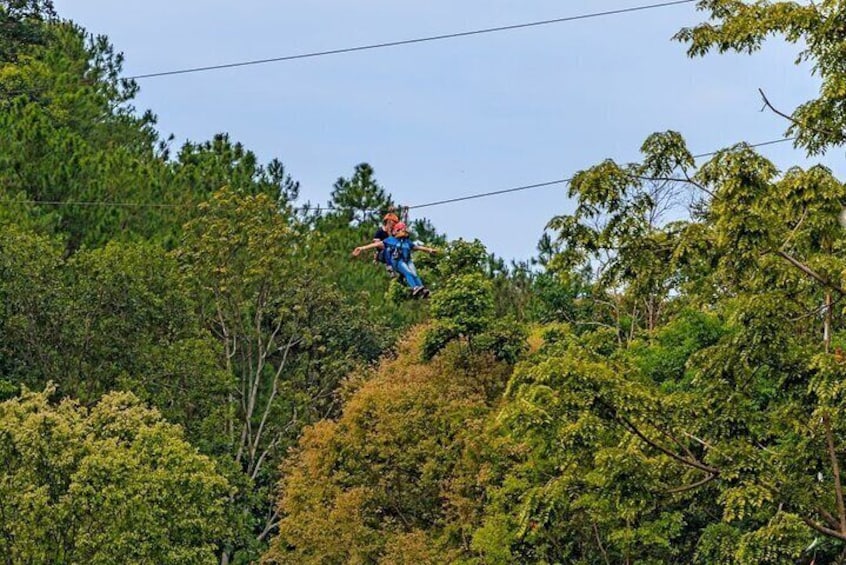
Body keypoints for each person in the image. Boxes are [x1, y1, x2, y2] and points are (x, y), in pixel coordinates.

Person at [353, 221, 437, 297]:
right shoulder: (391, 240)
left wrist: (429, 250)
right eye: (402, 230)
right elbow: (377, 244)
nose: (404, 232)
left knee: (414, 274)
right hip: (397, 261)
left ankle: (422, 289)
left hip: (407, 260)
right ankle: (415, 287)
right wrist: (362, 248)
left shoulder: (407, 242)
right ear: (397, 231)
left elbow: (417, 247)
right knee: (408, 272)